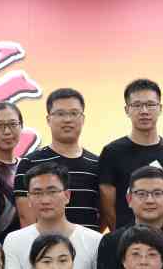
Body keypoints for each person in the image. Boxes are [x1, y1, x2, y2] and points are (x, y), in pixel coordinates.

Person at [2, 165, 102, 269]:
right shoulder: (14, 240)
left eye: (52, 191)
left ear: (67, 195)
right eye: (37, 193)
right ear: (29, 199)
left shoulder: (95, 241)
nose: (45, 200)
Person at [98, 76, 163, 229]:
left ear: (160, 108)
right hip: (126, 239)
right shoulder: (112, 153)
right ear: (127, 110)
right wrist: (120, 236)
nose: (144, 111)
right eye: (137, 105)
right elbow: (107, 206)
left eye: (150, 104)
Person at [15, 87, 103, 230]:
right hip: (45, 243)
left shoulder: (98, 164)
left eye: (74, 113)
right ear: (48, 119)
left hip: (88, 242)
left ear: (83, 119)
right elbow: (26, 217)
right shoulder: (30, 163)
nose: (67, 119)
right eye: (60, 114)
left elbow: (104, 213)